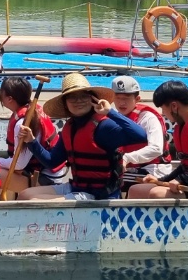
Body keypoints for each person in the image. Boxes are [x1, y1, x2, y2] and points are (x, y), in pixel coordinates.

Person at [20, 72, 148, 201]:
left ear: (92, 99)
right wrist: (31, 141)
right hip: (76, 188)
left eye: (83, 96)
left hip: (100, 195)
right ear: (65, 103)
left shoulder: (104, 126)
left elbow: (141, 136)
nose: (79, 101)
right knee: (24, 195)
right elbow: (52, 162)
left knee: (35, 202)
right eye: (72, 97)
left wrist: (110, 112)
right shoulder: (69, 127)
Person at [1, 75, 65, 197]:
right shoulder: (31, 111)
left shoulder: (24, 122)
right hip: (41, 172)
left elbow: (19, 165)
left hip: (46, 179)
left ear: (9, 99)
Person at [111, 75, 171, 183]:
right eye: (118, 98)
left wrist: (127, 158)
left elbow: (156, 149)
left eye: (126, 98)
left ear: (137, 99)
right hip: (131, 169)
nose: (121, 103)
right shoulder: (113, 117)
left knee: (111, 182)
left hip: (154, 170)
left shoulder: (148, 118)